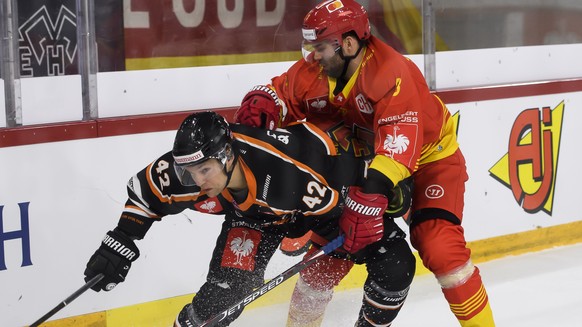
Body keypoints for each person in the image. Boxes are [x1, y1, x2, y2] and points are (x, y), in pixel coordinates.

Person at [233, 1, 496, 326]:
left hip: (428, 161)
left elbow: (399, 148)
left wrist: (370, 200)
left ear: (349, 43)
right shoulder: (318, 70)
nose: (311, 56)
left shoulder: (390, 72)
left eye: (319, 47)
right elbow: (279, 91)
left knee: (441, 249)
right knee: (323, 265)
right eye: (309, 47)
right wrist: (261, 105)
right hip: (359, 167)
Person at [83, 111, 416, 327]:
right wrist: (121, 241)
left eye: (203, 171)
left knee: (396, 264)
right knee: (222, 298)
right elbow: (145, 194)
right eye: (188, 172)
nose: (197, 181)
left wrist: (382, 196)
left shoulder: (287, 177)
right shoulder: (189, 170)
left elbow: (334, 210)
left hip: (322, 194)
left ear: (227, 156)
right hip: (257, 217)